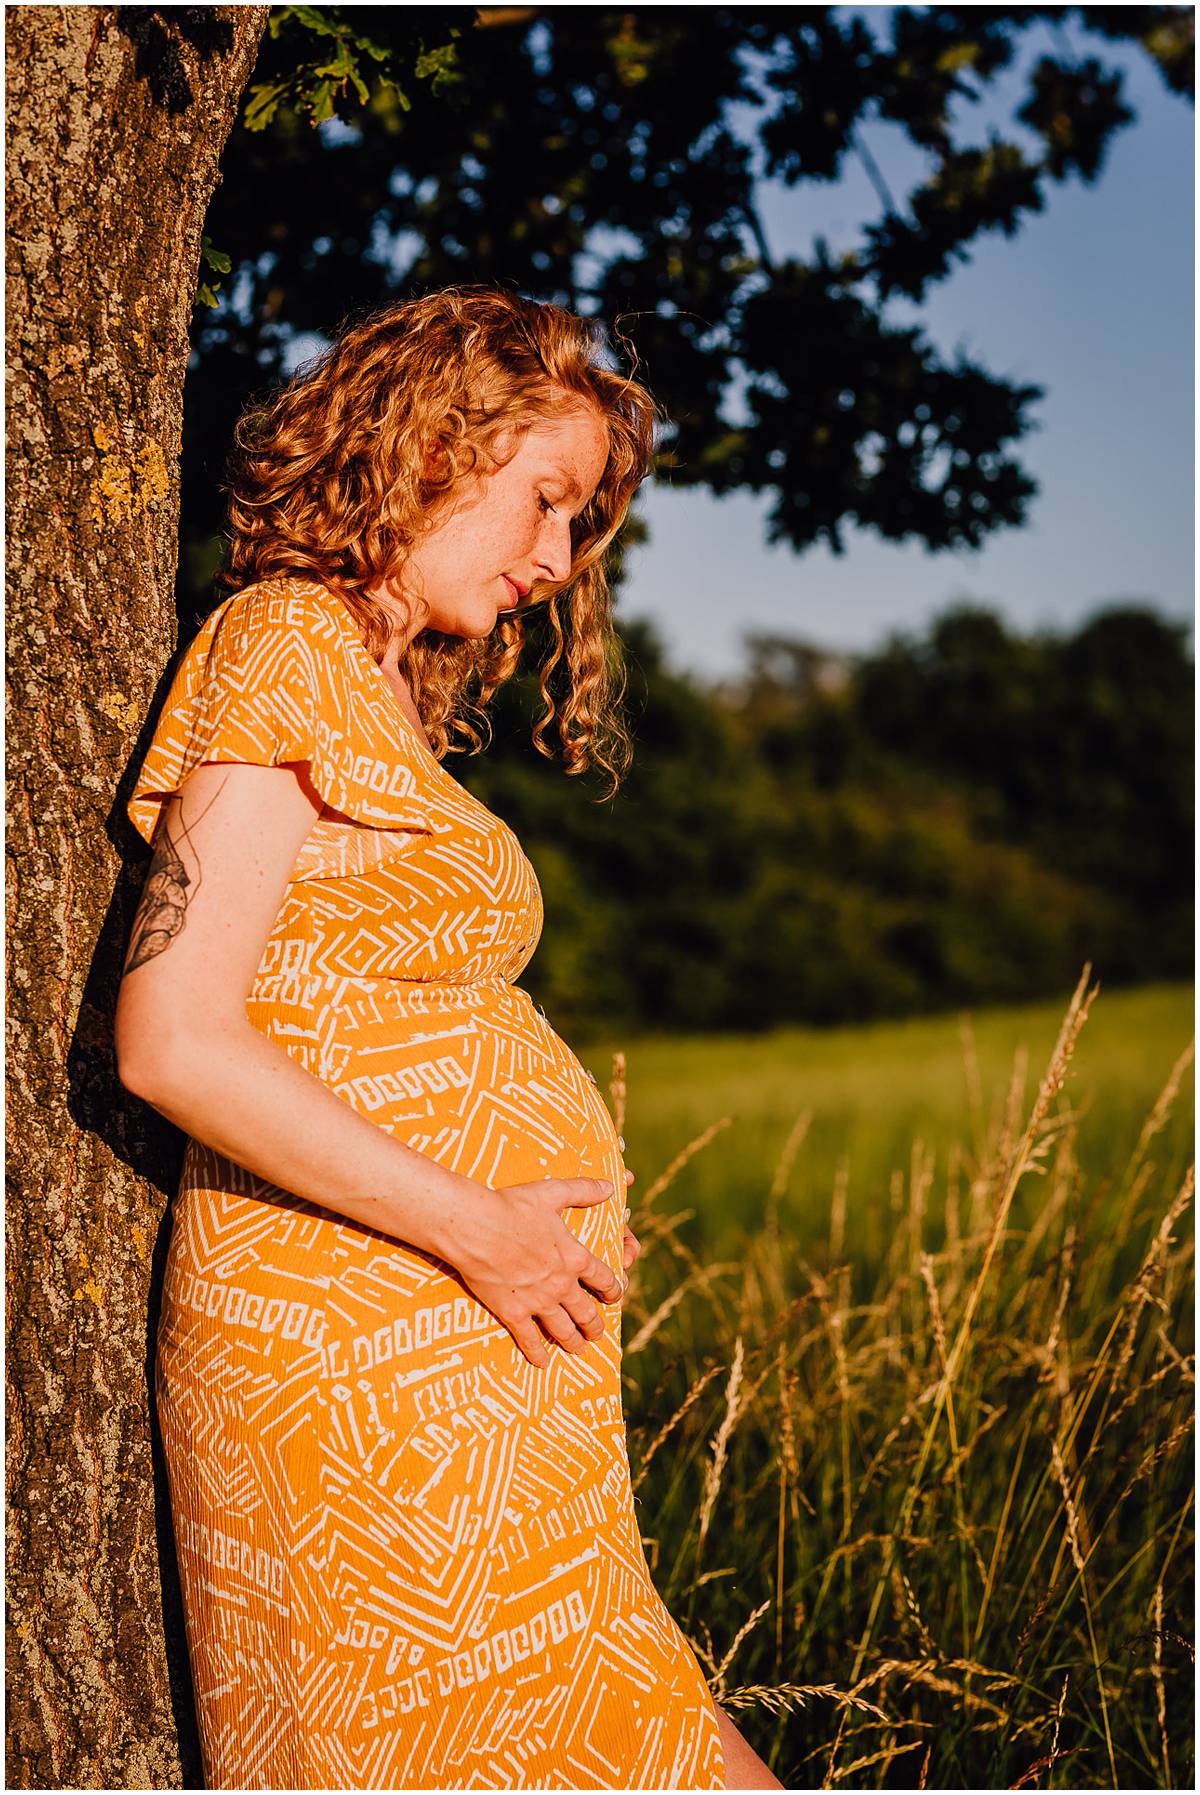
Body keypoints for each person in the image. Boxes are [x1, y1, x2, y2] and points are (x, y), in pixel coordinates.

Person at [116, 287, 781, 1791]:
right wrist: (480, 1227)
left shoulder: (371, 691)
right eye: (547, 499)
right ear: (431, 443)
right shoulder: (281, 638)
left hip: (457, 1341)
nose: (556, 561)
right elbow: (173, 1037)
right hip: (364, 1359)